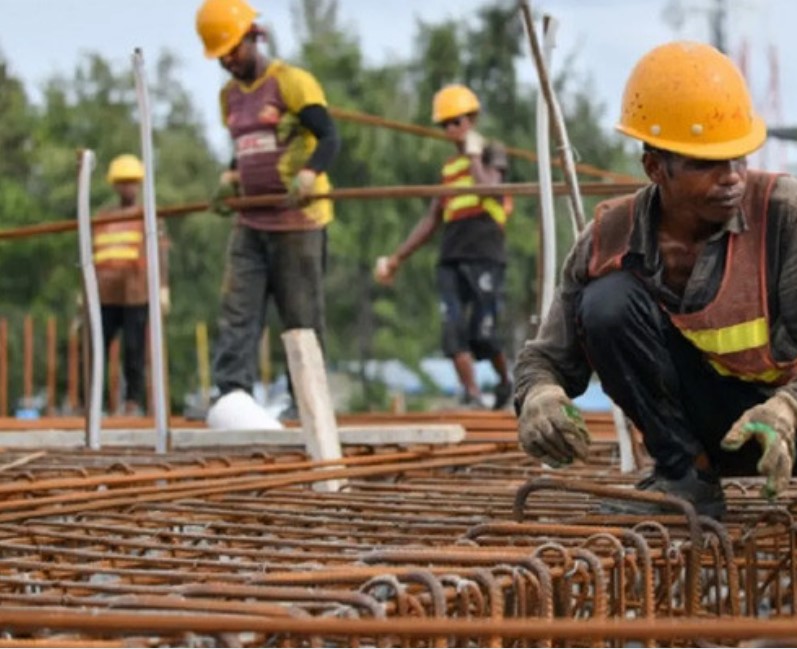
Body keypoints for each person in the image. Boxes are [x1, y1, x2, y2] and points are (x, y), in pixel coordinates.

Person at [512, 41, 797, 603]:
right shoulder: (610, 236)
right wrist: (538, 395)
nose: (732, 177)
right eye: (708, 164)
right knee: (606, 303)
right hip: (693, 429)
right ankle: (688, 477)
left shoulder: (783, 212)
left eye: (739, 159)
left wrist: (789, 406)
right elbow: (546, 356)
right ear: (656, 167)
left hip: (775, 429)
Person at [196, 0, 340, 418]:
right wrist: (230, 178)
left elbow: (329, 138)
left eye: (232, 50)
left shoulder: (292, 83)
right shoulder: (229, 98)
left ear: (253, 37)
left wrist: (311, 173)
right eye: (220, 55)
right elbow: (244, 150)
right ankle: (231, 396)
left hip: (298, 221)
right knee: (238, 309)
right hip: (251, 221)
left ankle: (306, 403)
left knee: (301, 315)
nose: (227, 60)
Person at [374, 84, 513, 409]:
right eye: (445, 124)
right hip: (452, 256)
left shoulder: (492, 152)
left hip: (485, 254)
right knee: (452, 328)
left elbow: (488, 190)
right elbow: (431, 218)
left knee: (484, 332)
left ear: (472, 119)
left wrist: (474, 154)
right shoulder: (449, 167)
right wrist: (397, 258)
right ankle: (473, 395)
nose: (451, 129)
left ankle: (506, 383)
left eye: (457, 121)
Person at [92, 154, 169, 415]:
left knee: (134, 350)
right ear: (115, 185)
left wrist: (162, 288)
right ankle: (92, 403)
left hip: (136, 293)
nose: (128, 188)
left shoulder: (147, 216)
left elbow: (161, 254)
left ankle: (132, 402)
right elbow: (91, 256)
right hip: (104, 294)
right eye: (123, 182)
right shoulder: (102, 218)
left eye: (132, 182)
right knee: (96, 347)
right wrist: (85, 294)